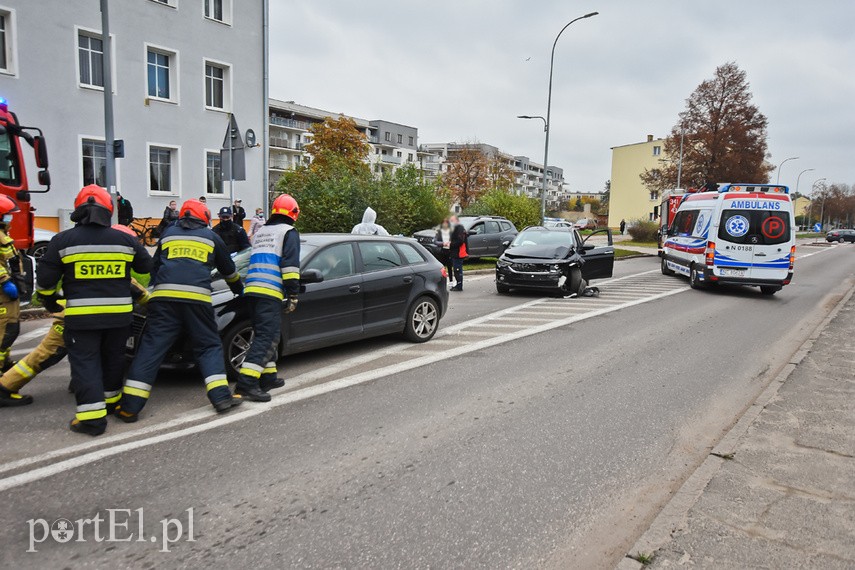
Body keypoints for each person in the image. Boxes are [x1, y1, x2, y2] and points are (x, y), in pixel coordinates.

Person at [36, 185, 152, 436]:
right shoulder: (124, 239)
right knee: (114, 360)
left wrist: (50, 302)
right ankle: (110, 404)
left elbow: (45, 281)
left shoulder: (63, 241)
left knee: (86, 363)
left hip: (82, 318)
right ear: (109, 211)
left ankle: (92, 419)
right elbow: (145, 267)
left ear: (78, 210)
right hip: (120, 316)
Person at [116, 200, 243, 421]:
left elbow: (155, 268)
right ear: (204, 217)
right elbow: (229, 271)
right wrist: (239, 290)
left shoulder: (168, 234)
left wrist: (155, 293)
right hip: (198, 300)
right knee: (209, 346)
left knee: (151, 348)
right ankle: (221, 398)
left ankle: (130, 407)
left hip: (165, 300)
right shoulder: (211, 237)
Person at [0, 227, 150, 407]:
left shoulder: (85, 258)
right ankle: (5, 386)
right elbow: (141, 295)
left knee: (85, 355)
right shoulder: (119, 271)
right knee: (46, 355)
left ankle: (79, 384)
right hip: (72, 318)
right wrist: (159, 306)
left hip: (74, 313)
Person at [235, 194, 301, 402]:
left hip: (252, 290)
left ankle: (268, 377)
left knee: (264, 333)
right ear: (294, 213)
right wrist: (293, 293)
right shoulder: (288, 232)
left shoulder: (262, 231)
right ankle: (246, 383)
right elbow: (290, 267)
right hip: (269, 290)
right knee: (268, 336)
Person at [0, 196, 23, 375]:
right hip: (3, 293)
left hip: (8, 294)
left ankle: (4, 362)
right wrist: (5, 281)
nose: (11, 218)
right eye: (8, 215)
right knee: (6, 331)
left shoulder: (3, 236)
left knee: (9, 330)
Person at [449, 215, 468, 291]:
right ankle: (458, 284)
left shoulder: (459, 228)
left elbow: (460, 241)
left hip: (458, 253)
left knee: (457, 269)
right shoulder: (456, 228)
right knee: (456, 269)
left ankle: (459, 286)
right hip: (455, 252)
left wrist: (450, 244)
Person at [433, 218, 453, 283]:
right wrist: (443, 243)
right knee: (442, 268)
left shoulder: (451, 231)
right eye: (444, 223)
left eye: (446, 223)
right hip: (442, 251)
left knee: (450, 267)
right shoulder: (439, 232)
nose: (445, 224)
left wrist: (450, 243)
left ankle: (451, 281)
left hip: (449, 251)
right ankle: (442, 282)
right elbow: (435, 241)